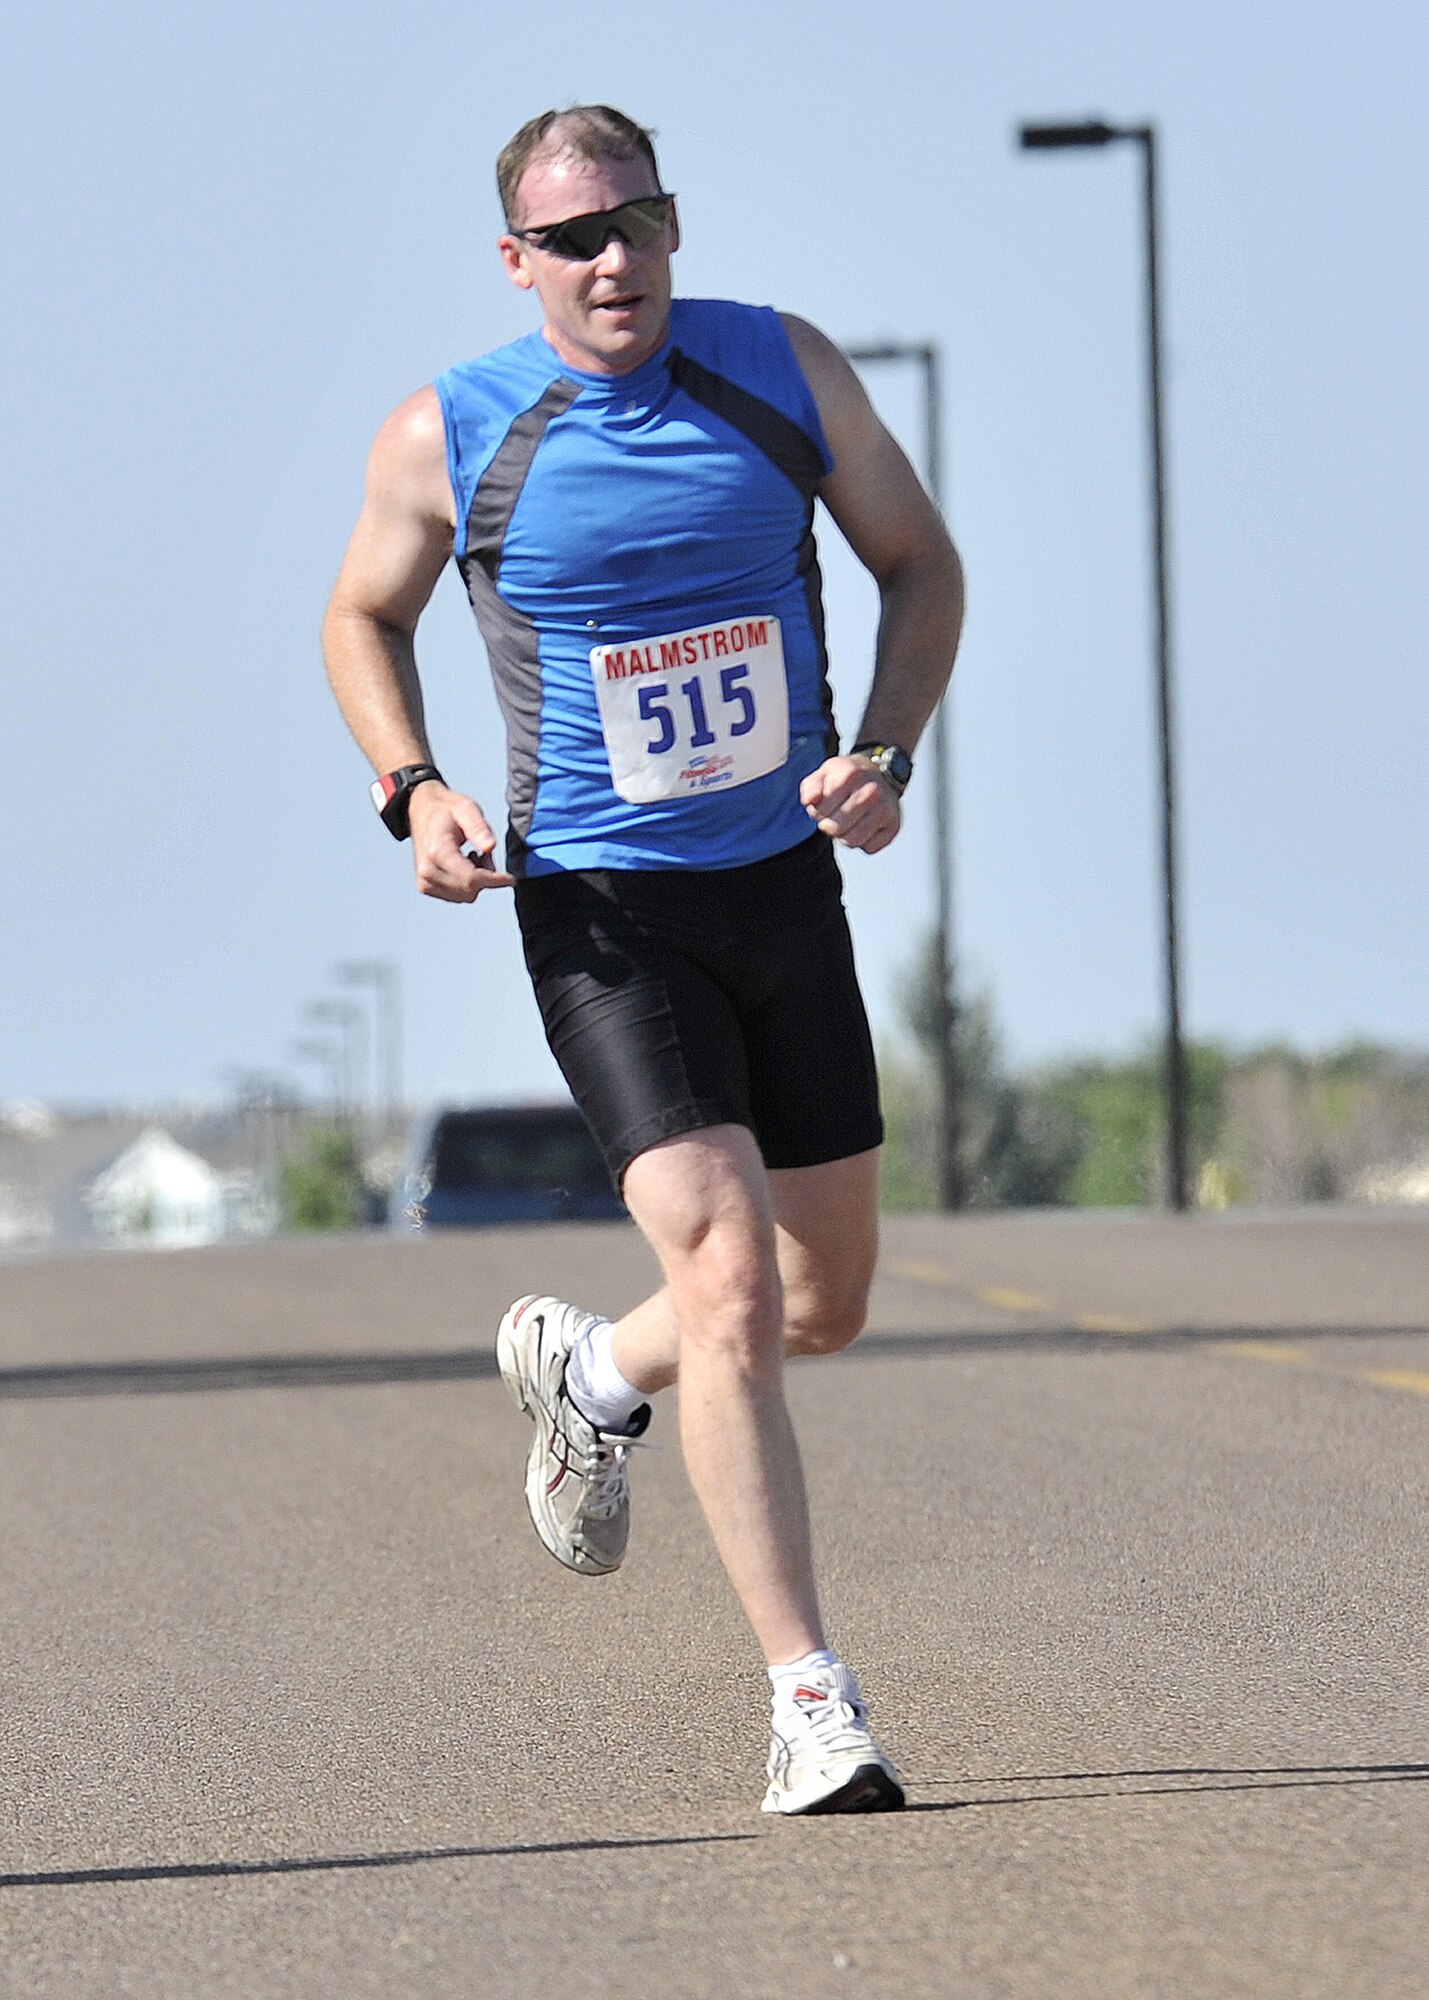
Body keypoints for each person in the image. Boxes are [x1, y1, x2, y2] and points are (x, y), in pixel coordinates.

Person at [323, 105, 964, 1816]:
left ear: (674, 228)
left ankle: (591, 1370)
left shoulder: (783, 372)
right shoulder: (451, 432)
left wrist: (885, 754)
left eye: (642, 222)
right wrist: (415, 785)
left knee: (820, 1305)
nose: (617, 260)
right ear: (517, 261)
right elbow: (359, 615)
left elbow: (918, 567)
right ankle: (809, 1703)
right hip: (605, 913)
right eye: (578, 236)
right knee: (735, 1284)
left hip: (780, 890)